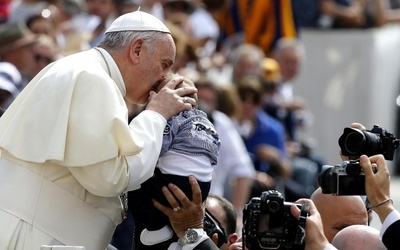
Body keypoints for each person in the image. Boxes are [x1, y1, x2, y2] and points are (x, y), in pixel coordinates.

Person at [0, 10, 199, 249]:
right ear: (136, 50)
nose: (163, 77)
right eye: (163, 64)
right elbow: (110, 178)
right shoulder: (93, 78)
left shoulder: (82, 68)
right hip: (36, 235)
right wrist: (156, 114)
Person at [129, 72, 221, 249]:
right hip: (202, 184)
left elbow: (153, 148)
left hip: (172, 183)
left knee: (133, 177)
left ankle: (156, 227)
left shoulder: (171, 118)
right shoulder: (207, 122)